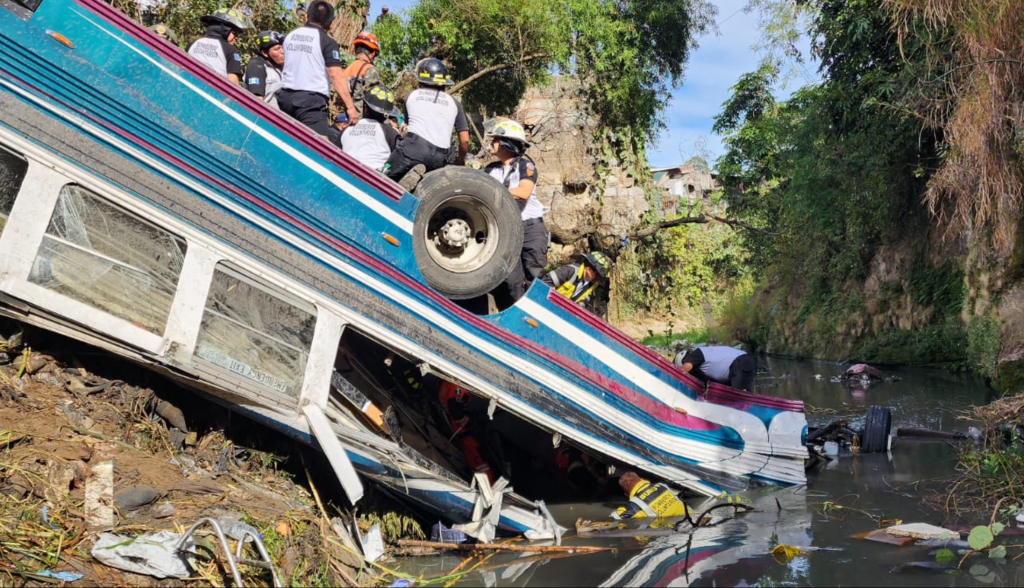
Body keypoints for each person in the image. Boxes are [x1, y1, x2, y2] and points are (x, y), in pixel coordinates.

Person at [484, 120, 548, 305]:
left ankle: (539, 321)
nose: (491, 143)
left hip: (530, 229)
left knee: (535, 277)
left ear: (507, 143)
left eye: (495, 139)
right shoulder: (491, 169)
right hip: (507, 230)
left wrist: (494, 190)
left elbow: (523, 192)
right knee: (511, 282)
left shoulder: (525, 166)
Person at [279, 0, 360, 142]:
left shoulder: (290, 36)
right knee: (316, 147)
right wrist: (350, 107)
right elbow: (336, 75)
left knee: (286, 141)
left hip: (285, 98)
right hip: (310, 104)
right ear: (331, 23)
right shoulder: (327, 42)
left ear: (307, 17)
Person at [383, 58, 470, 190]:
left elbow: (407, 125)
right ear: (444, 82)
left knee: (384, 179)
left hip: (412, 150)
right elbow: (465, 140)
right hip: (440, 158)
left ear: (421, 79)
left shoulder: (411, 96)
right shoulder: (454, 103)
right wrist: (460, 160)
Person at [438, 381, 495, 484]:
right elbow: (456, 412)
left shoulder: (453, 385)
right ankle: (487, 487)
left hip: (464, 431)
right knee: (480, 462)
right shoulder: (455, 385)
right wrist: (471, 423)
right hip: (464, 433)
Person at [341, 84, 402, 172]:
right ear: (387, 114)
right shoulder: (390, 133)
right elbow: (399, 158)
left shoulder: (346, 130)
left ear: (365, 107)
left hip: (344, 174)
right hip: (374, 179)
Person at [186, 8, 250, 84]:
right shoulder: (230, 50)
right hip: (213, 94)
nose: (236, 38)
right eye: (235, 33)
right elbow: (233, 82)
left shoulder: (192, 44)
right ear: (225, 30)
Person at [674, 345, 757, 392]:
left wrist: (676, 380)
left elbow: (687, 366)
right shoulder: (706, 369)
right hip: (748, 362)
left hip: (739, 363)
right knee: (747, 397)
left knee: (735, 397)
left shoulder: (696, 354)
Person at [541, 251, 613, 305]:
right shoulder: (570, 271)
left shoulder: (591, 285)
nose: (597, 278)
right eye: (597, 274)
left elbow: (585, 300)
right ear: (589, 268)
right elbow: (545, 281)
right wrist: (553, 300)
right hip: (546, 303)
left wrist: (582, 305)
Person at [610, 471, 689, 520]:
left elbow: (614, 518)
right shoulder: (663, 486)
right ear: (641, 479)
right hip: (693, 519)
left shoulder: (635, 505)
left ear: (626, 494)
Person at [342, 32, 382, 115]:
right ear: (373, 53)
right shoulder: (369, 69)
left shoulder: (346, 70)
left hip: (347, 119)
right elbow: (375, 100)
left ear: (356, 50)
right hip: (363, 121)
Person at [245, 31, 285, 109]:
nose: (282, 52)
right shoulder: (257, 66)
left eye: (283, 47)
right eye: (277, 49)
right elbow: (256, 101)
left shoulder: (283, 66)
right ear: (265, 52)